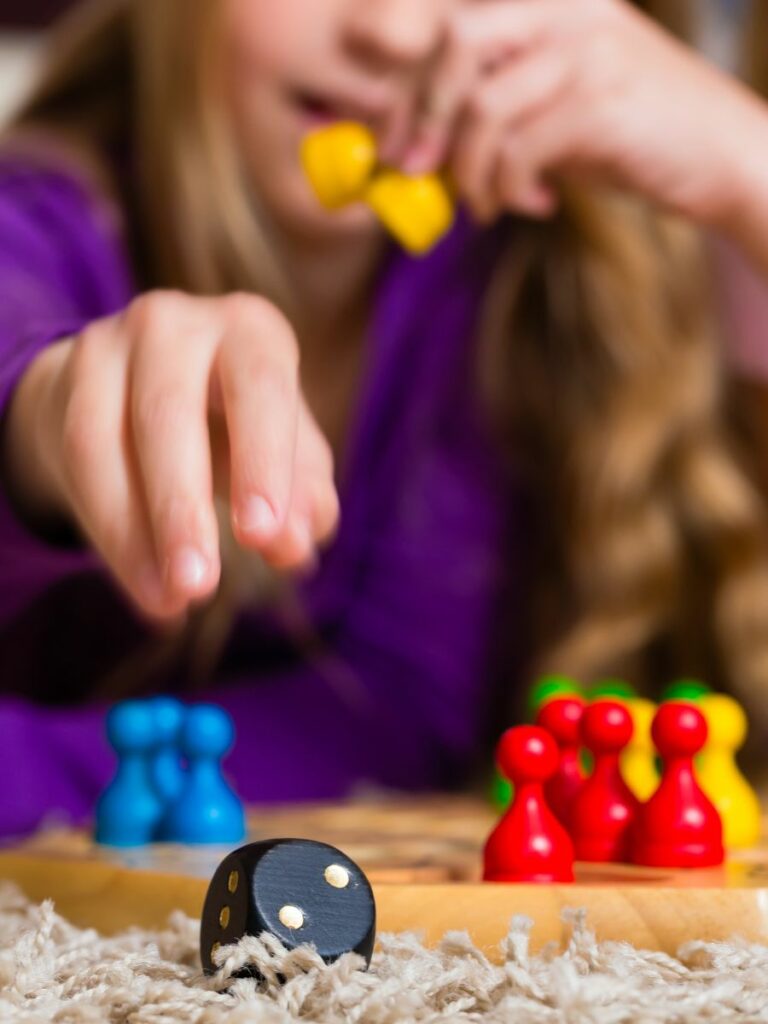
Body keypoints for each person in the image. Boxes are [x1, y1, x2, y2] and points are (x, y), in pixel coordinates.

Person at [1, 0, 768, 837]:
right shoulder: (38, 223)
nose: (395, 33)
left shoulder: (512, 287)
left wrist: (750, 168)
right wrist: (44, 414)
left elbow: (395, 719)